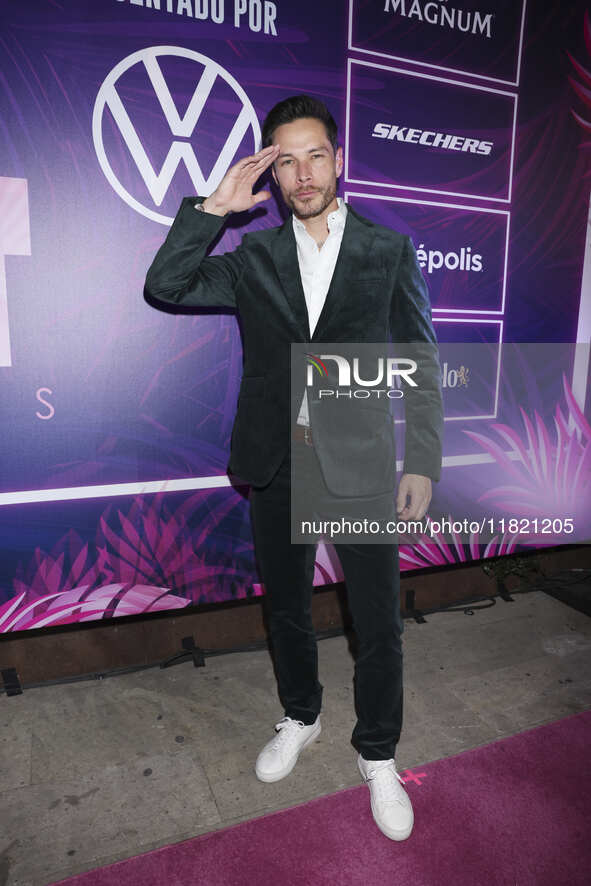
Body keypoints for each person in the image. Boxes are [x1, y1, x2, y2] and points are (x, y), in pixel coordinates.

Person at [144, 95, 443, 842]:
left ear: (338, 160)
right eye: (286, 160)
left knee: (376, 622)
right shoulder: (254, 260)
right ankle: (301, 716)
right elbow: (167, 285)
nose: (302, 172)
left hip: (362, 465)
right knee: (285, 610)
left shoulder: (386, 251)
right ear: (270, 175)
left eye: (315, 155)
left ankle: (377, 753)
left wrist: (425, 460)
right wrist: (213, 208)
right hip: (276, 463)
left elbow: (420, 362)